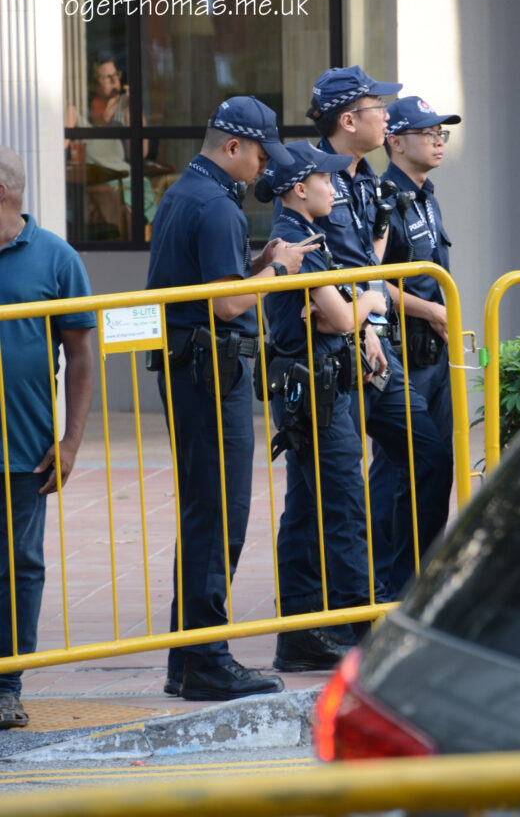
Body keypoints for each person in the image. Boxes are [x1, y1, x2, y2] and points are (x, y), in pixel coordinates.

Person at [146, 96, 317, 701]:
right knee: (220, 517)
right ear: (233, 147)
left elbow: (210, 283)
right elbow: (225, 304)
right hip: (210, 374)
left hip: (191, 370)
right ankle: (207, 660)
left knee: (203, 512)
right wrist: (277, 272)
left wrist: (258, 261)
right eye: (261, 155)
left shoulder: (182, 193)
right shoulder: (217, 207)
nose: (264, 169)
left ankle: (188, 659)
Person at [305, 66, 453, 598]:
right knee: (340, 489)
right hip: (340, 351)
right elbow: (333, 270)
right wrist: (369, 315)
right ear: (351, 119)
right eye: (378, 108)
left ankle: (391, 589)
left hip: (380, 348)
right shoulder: (316, 177)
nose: (386, 114)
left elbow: (365, 264)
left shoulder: (366, 181)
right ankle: (343, 606)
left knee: (427, 459)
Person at [256, 141, 391, 671]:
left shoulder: (304, 235)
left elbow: (337, 314)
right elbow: (337, 316)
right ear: (298, 188)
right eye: (325, 181)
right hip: (316, 392)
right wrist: (373, 303)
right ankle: (361, 628)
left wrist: (356, 316)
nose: (335, 188)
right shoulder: (295, 241)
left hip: (317, 386)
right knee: (343, 509)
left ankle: (300, 631)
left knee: (308, 509)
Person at [0, 147, 95, 729]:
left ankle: (7, 684)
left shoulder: (56, 258)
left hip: (21, 448)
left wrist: (70, 442)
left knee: (17, 567)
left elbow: (83, 356)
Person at [369, 95, 461, 549]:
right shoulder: (384, 201)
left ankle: (423, 572)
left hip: (435, 355)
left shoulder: (426, 197)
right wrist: (431, 311)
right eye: (429, 133)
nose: (438, 141)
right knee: (395, 470)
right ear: (396, 143)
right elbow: (370, 280)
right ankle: (382, 585)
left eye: (440, 133)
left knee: (436, 466)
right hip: (403, 355)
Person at [65, 55, 158, 229]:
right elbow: (58, 148)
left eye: (116, 75)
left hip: (127, 180)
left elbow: (138, 154)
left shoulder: (125, 107)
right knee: (117, 209)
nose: (115, 81)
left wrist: (133, 111)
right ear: (92, 85)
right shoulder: (77, 111)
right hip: (96, 184)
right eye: (107, 77)